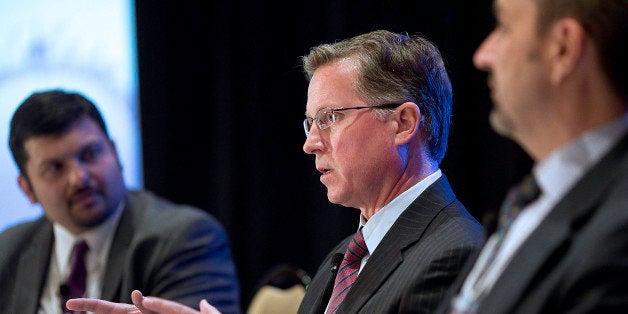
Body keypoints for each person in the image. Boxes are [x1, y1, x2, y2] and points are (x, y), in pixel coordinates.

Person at [67, 29, 485, 314]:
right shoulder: (348, 254)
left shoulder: (453, 256)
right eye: (310, 122)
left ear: (403, 123)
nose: (310, 143)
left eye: (331, 117)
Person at [438, 0, 628, 313]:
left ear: (563, 48)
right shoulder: (528, 202)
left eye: (504, 28)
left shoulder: (616, 232)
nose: (482, 56)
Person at [0, 89, 241, 314]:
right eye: (55, 168)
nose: (79, 177)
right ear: (27, 188)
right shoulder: (8, 250)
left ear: (115, 152)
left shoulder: (186, 238)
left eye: (90, 154)